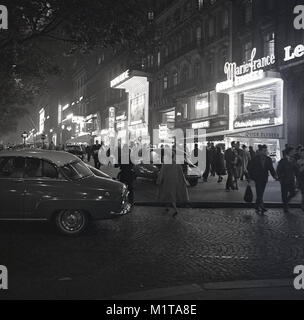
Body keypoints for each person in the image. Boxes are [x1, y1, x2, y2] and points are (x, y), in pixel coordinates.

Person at [157, 150, 189, 217]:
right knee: (170, 195)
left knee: (170, 195)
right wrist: (183, 181)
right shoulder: (176, 164)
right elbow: (181, 174)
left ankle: (175, 210)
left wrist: (159, 180)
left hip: (167, 182)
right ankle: (167, 207)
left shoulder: (166, 164)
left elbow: (162, 173)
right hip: (175, 182)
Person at [248, 144, 278, 215]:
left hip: (264, 178)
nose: (266, 152)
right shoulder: (255, 158)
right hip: (257, 178)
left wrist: (274, 176)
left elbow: (271, 169)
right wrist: (250, 177)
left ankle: (256, 205)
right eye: (264, 150)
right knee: (259, 192)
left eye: (266, 150)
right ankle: (261, 206)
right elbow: (250, 168)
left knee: (260, 193)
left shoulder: (268, 159)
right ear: (260, 151)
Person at [277, 147, 298, 214]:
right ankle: (285, 206)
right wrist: (280, 178)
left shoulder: (294, 160)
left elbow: (296, 170)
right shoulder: (283, 161)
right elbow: (278, 170)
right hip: (284, 181)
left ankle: (286, 202)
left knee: (293, 193)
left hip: (291, 180)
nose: (294, 152)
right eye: (293, 151)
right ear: (289, 152)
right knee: (284, 194)